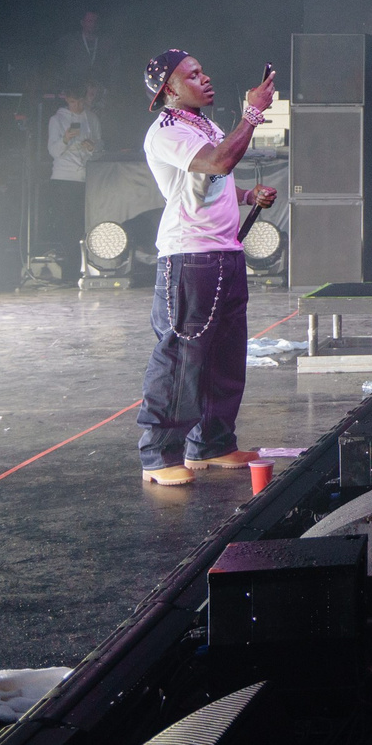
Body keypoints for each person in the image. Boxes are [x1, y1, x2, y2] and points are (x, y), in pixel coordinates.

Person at [134, 49, 279, 486]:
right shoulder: (167, 130)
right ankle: (159, 456)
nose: (205, 78)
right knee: (183, 355)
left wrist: (247, 198)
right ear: (169, 91)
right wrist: (251, 114)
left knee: (224, 354)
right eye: (193, 75)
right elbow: (217, 163)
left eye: (202, 70)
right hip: (189, 255)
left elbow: (208, 183)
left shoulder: (205, 124)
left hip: (224, 252)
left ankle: (212, 444)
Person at [43, 80, 99, 260]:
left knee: (83, 223)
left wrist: (92, 147)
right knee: (66, 224)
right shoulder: (57, 119)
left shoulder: (92, 118)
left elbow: (100, 147)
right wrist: (65, 138)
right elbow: (53, 151)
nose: (78, 106)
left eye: (81, 102)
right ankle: (67, 264)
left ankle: (84, 262)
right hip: (64, 178)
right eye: (74, 102)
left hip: (86, 179)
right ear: (67, 100)